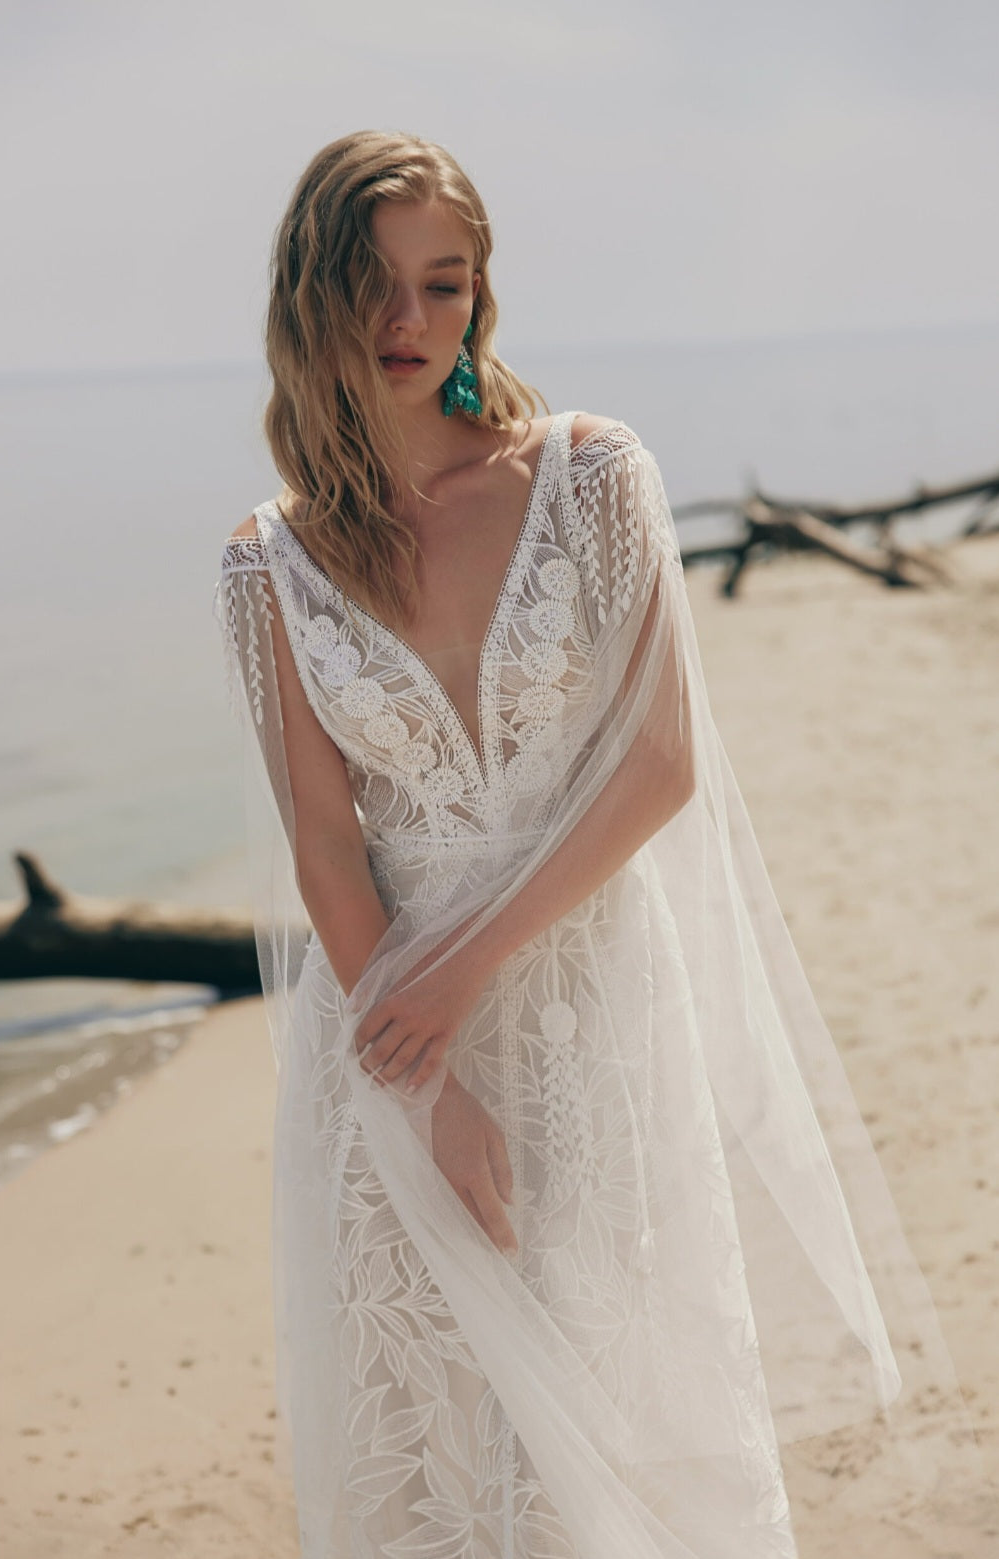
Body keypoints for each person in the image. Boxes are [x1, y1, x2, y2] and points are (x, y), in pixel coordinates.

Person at [214, 131, 982, 1559]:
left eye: (444, 286)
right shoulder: (269, 561)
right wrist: (417, 1057)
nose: (409, 322)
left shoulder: (587, 475)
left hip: (586, 1008)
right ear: (308, 295)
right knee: (431, 1445)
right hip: (382, 1044)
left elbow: (660, 765)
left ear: (479, 299)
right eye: (374, 285)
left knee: (617, 1411)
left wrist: (459, 979)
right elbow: (325, 842)